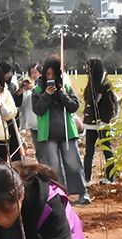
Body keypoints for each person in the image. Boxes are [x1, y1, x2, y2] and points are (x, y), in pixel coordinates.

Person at [32, 57, 89, 204]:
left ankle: (82, 192)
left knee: (73, 163)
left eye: (54, 74)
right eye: (48, 74)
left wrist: (62, 95)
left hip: (67, 132)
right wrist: (46, 95)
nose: (51, 77)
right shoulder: (38, 89)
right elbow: (37, 109)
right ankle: (60, 195)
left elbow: (74, 106)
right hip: (48, 133)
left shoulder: (65, 87)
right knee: (54, 166)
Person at [83, 58, 118, 184]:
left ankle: (110, 177)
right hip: (90, 124)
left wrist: (104, 121)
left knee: (107, 150)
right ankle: (86, 178)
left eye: (89, 68)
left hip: (102, 124)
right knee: (89, 152)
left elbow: (110, 107)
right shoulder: (91, 83)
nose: (87, 71)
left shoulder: (105, 85)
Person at [19, 63, 42, 161]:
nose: (33, 75)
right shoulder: (28, 87)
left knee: (45, 147)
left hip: (42, 122)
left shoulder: (41, 85)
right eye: (31, 73)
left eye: (35, 72)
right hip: (32, 123)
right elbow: (23, 105)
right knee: (38, 148)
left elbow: (42, 96)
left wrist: (33, 88)